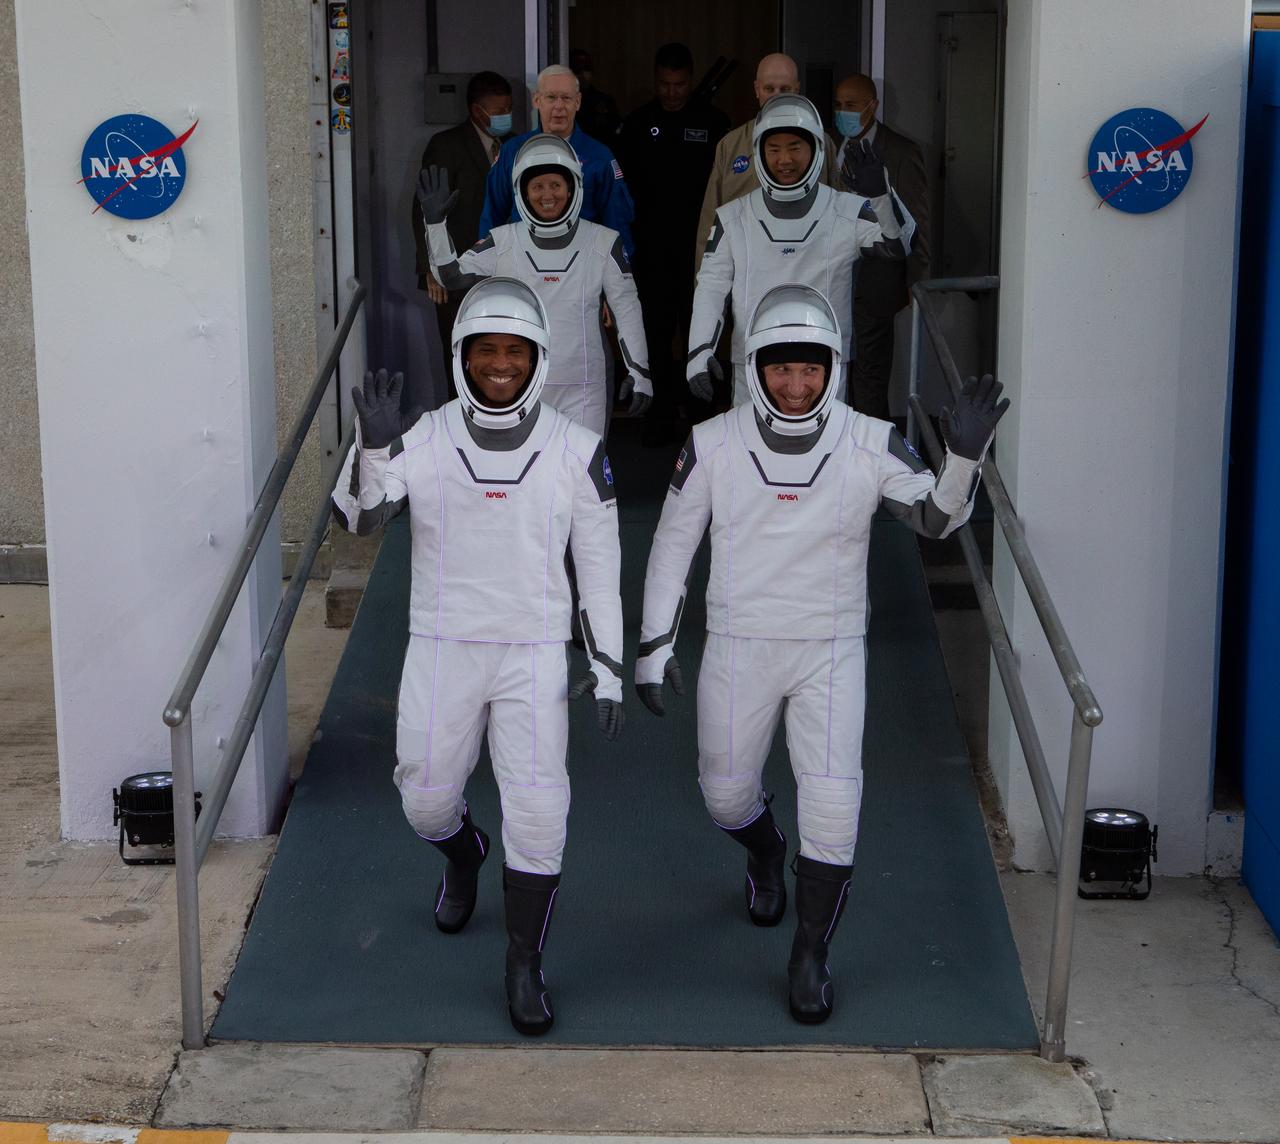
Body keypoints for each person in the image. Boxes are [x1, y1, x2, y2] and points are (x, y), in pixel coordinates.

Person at [635, 283, 1008, 1023]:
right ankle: (765, 850)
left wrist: (962, 458)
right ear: (756, 367)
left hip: (831, 649)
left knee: (834, 807)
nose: (796, 384)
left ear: (832, 367)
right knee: (724, 794)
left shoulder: (871, 441)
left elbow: (933, 519)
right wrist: (652, 647)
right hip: (740, 643)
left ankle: (810, 952)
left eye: (810, 370)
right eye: (781, 369)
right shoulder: (712, 442)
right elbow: (671, 547)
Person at [330, 278, 625, 1037]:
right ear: (461, 356)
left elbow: (598, 567)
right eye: (485, 350)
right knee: (425, 799)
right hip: (443, 644)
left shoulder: (576, 449)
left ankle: (524, 961)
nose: (501, 364)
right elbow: (361, 520)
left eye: (515, 352)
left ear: (537, 358)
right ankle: (463, 854)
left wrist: (612, 664)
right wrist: (371, 446)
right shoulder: (422, 434)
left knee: (539, 810)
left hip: (532, 653)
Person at [687, 93, 915, 408]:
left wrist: (880, 196)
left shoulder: (845, 210)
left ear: (817, 149)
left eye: (795, 148)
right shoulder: (733, 217)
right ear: (758, 152)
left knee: (824, 451)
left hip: (824, 364)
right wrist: (699, 350)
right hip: (754, 362)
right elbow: (711, 286)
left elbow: (898, 244)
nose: (785, 160)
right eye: (774, 149)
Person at [420, 133, 652, 438]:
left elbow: (627, 307)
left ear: (571, 188)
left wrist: (639, 370)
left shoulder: (604, 242)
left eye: (555, 185)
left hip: (584, 386)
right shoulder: (502, 240)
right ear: (522, 192)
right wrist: (435, 225)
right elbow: (452, 277)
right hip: (521, 382)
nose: (547, 195)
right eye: (537, 186)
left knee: (583, 476)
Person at [615, 43, 730, 443]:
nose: (672, 93)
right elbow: (621, 194)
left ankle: (704, 419)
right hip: (652, 252)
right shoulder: (636, 125)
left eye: (679, 85)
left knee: (702, 333)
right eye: (665, 84)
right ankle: (660, 416)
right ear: (655, 80)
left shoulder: (715, 124)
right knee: (656, 335)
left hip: (701, 252)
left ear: (691, 80)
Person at [834, 74, 931, 421]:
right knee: (838, 371)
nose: (843, 112)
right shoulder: (835, 147)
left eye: (851, 105)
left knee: (871, 377)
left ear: (872, 106)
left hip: (879, 278)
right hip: (837, 279)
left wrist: (914, 284)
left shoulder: (902, 152)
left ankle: (873, 457)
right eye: (839, 105)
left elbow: (918, 224)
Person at [412, 71, 514, 398]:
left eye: (507, 109)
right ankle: (460, 431)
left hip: (508, 268)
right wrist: (429, 267)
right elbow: (424, 209)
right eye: (497, 112)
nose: (504, 118)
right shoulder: (447, 145)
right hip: (456, 270)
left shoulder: (516, 145)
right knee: (461, 354)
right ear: (476, 110)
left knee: (508, 353)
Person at [693, 53, 839, 270]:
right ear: (756, 89)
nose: (776, 97)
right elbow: (710, 226)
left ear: (797, 90)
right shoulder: (730, 145)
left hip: (804, 271)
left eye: (785, 89)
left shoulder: (821, 143)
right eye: (769, 89)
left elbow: (837, 216)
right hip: (744, 272)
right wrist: (706, 291)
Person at [479, 65, 635, 259]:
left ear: (577, 102)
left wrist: (620, 271)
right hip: (522, 266)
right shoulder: (513, 151)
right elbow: (493, 214)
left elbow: (617, 223)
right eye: (551, 97)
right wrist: (487, 262)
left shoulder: (600, 156)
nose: (559, 106)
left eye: (566, 98)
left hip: (581, 269)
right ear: (537, 100)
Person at [570, 48, 622, 142]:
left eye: (586, 69)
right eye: (577, 70)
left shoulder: (606, 102)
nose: (582, 74)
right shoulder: (563, 103)